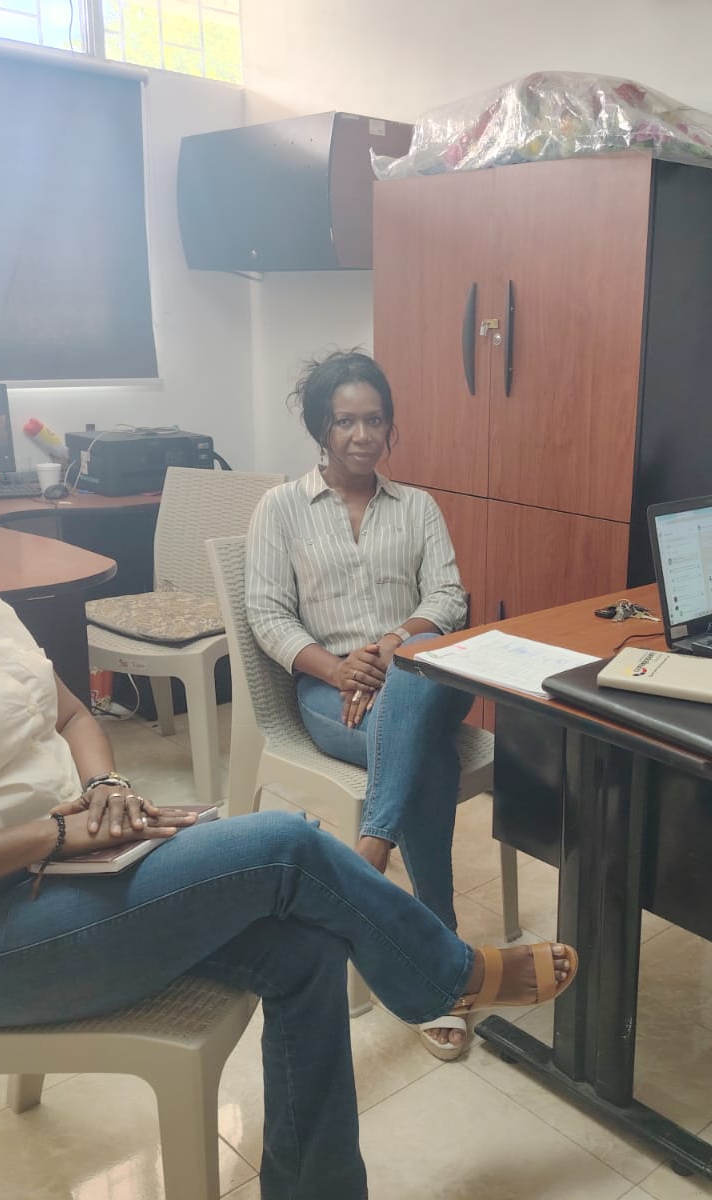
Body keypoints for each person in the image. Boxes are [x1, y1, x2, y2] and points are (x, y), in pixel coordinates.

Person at [0, 405, 577, 1200]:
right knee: (286, 844)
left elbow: (71, 713)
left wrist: (104, 790)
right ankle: (448, 976)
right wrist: (47, 836)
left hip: (69, 869)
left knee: (307, 945)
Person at [246, 350, 479, 1058]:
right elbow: (267, 613)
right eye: (345, 421)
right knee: (427, 761)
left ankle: (370, 848)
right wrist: (341, 667)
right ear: (321, 426)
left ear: (389, 426)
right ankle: (441, 950)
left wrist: (393, 644)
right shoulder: (281, 508)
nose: (361, 436)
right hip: (332, 691)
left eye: (374, 421)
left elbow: (449, 597)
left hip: (420, 673)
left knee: (420, 664)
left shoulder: (418, 507)